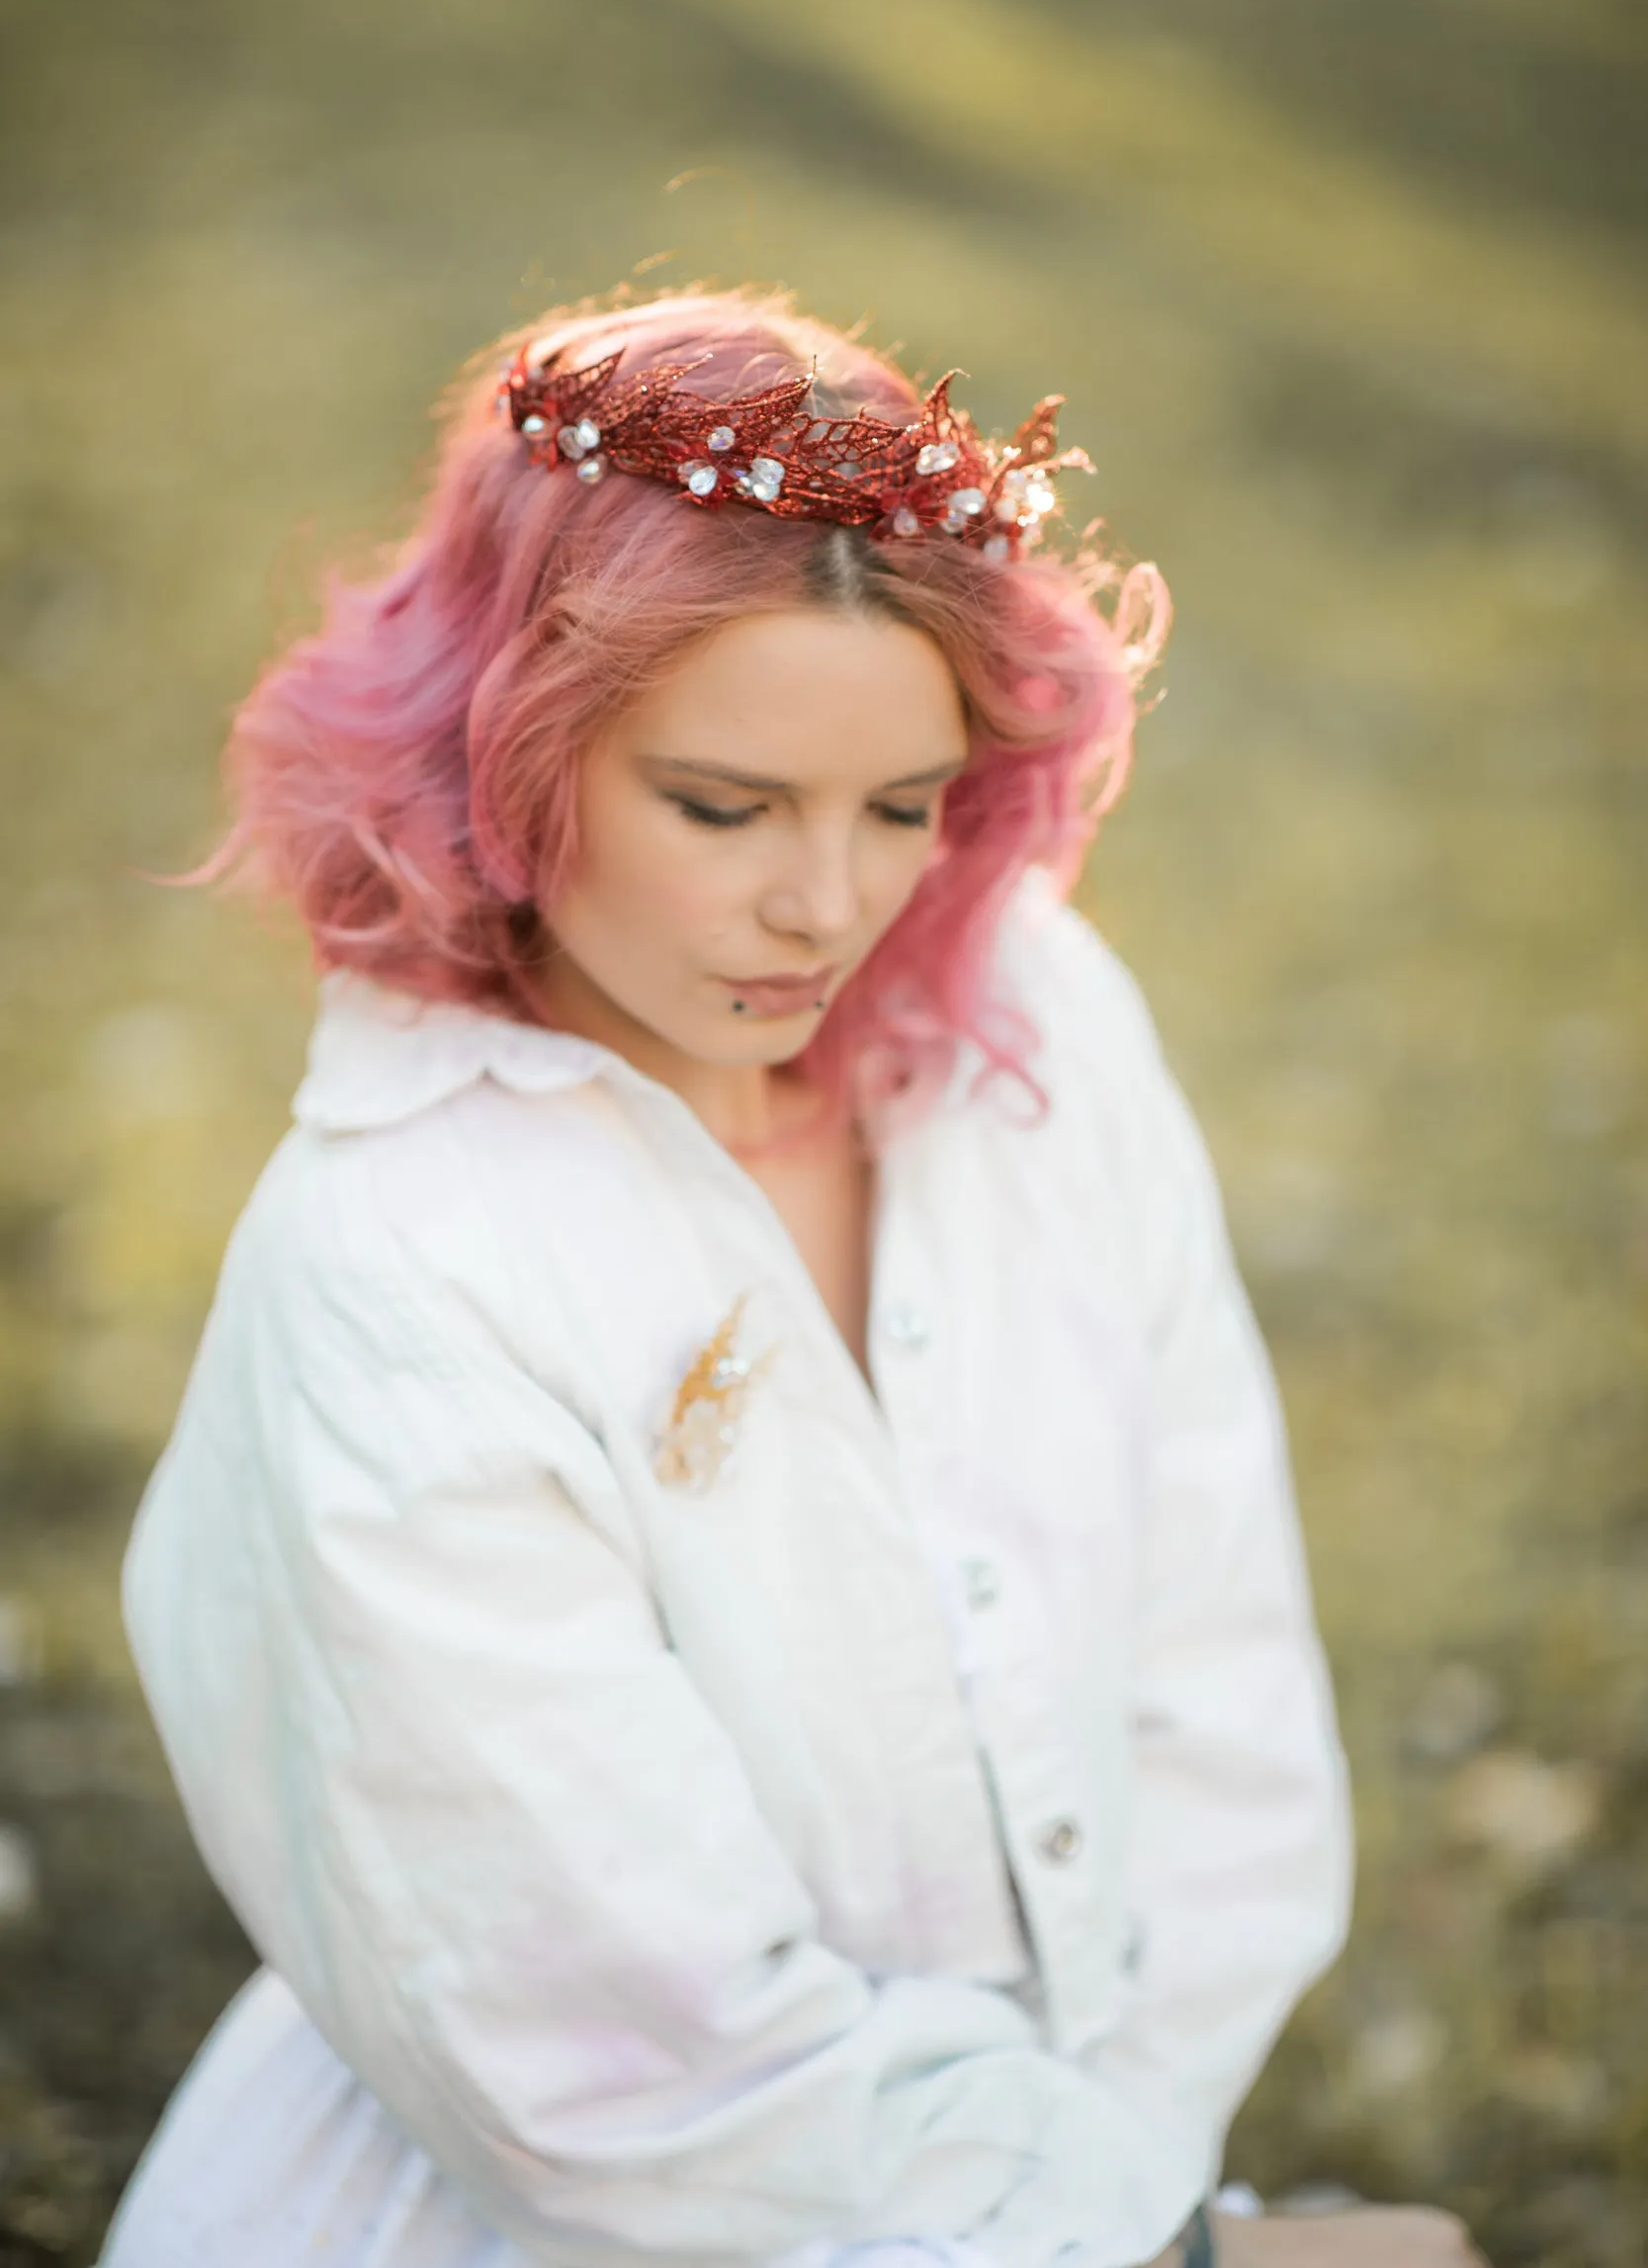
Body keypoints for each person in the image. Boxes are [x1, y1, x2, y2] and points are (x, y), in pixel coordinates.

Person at [102, 291, 1485, 2268]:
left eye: (900, 807)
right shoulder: (401, 1268)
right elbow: (618, 2071)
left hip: (1069, 2164)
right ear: (512, 750)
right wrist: (1162, 2252)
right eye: (723, 806)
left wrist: (1122, 2170)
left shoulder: (1037, 1038)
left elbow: (1212, 1665)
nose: (824, 903)